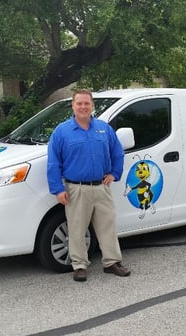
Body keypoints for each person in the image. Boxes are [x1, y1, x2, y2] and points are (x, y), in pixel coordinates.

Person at [47, 89, 131, 282]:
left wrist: (114, 173)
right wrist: (58, 189)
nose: (83, 107)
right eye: (79, 103)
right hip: (76, 189)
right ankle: (79, 266)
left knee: (107, 226)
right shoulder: (62, 131)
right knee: (77, 229)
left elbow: (117, 152)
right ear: (73, 106)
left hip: (101, 187)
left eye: (87, 103)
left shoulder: (103, 128)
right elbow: (53, 162)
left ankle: (111, 262)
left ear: (92, 105)